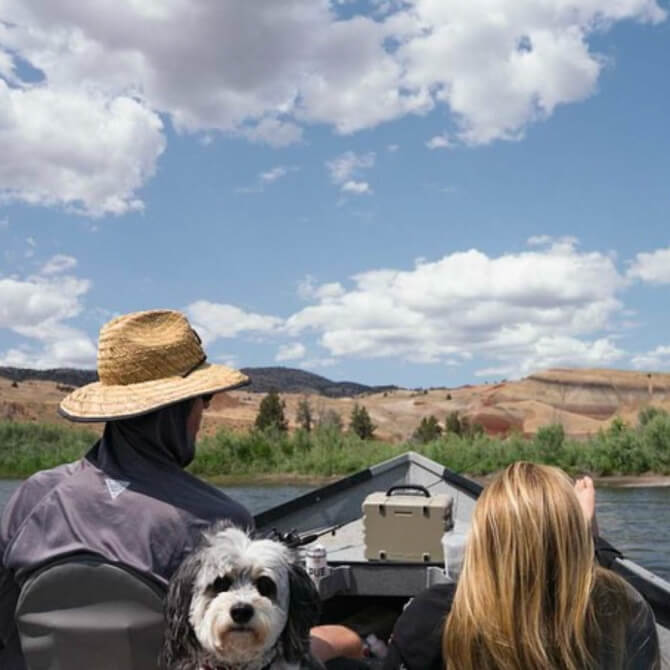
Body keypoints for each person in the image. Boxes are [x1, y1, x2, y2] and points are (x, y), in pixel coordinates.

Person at [0, 309, 361, 668]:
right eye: (203, 400)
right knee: (346, 642)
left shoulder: (32, 497)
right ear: (177, 410)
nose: (203, 415)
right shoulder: (219, 521)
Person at [383, 462, 660, 670]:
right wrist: (587, 538)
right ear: (577, 545)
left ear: (481, 542)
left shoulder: (430, 617)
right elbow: (588, 585)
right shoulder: (625, 613)